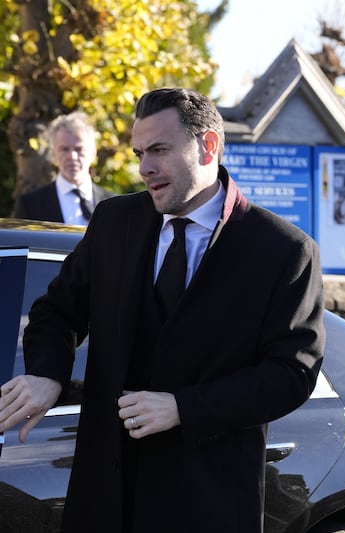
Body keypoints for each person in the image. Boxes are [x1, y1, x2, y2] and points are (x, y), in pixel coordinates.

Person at [0, 88, 326, 533]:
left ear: (208, 145)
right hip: (104, 501)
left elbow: (293, 373)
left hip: (206, 503)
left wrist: (185, 408)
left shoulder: (283, 250)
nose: (144, 168)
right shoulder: (114, 222)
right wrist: (47, 372)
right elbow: (57, 310)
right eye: (139, 153)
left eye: (158, 150)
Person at [13, 111, 115, 224]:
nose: (72, 156)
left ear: (93, 152)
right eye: (64, 149)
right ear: (53, 154)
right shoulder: (30, 205)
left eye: (79, 149)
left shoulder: (114, 204)